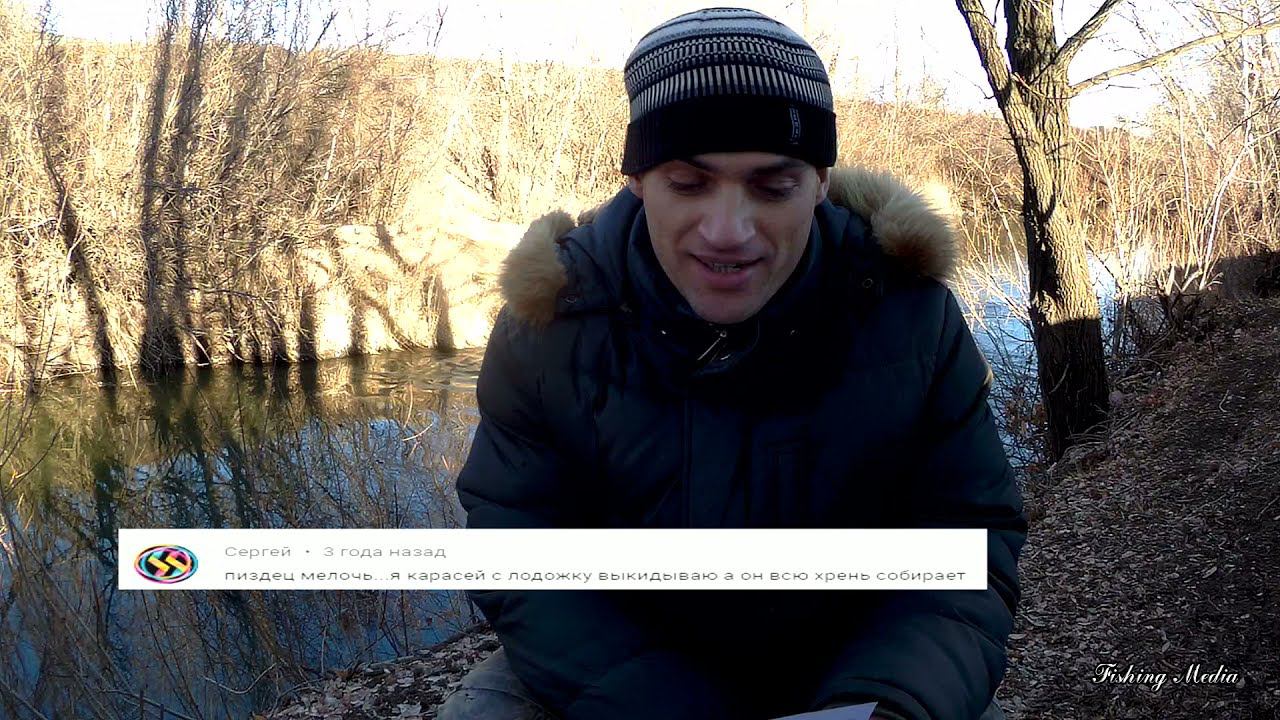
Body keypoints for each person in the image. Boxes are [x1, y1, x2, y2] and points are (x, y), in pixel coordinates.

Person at [440, 7, 1027, 720]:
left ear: (820, 181)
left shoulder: (909, 314)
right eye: (689, 183)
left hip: (855, 665)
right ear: (638, 179)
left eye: (773, 186)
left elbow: (965, 545)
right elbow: (519, 547)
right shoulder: (550, 326)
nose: (728, 232)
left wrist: (888, 702)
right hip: (625, 673)